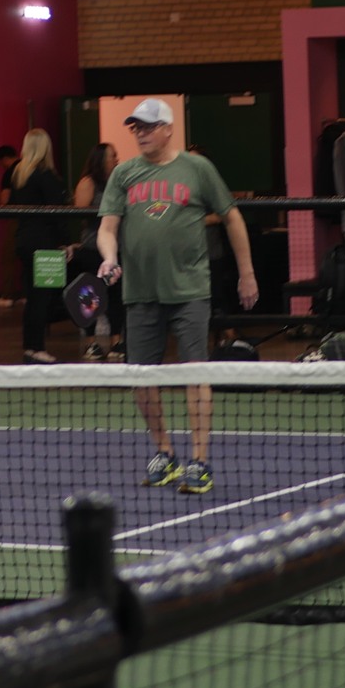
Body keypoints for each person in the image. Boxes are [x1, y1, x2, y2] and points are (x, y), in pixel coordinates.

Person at [96, 98, 258, 496]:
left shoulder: (197, 169)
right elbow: (107, 228)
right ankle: (164, 453)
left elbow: (232, 217)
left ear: (168, 129)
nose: (141, 133)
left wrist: (247, 273)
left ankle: (199, 461)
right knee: (141, 378)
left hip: (189, 292)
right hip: (140, 294)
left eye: (148, 126)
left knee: (194, 374)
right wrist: (110, 258)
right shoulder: (124, 174)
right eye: (136, 128)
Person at [9, 129, 77, 363]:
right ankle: (37, 348)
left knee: (32, 297)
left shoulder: (18, 175)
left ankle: (30, 346)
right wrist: (66, 242)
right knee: (42, 298)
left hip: (23, 241)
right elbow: (57, 213)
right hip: (45, 243)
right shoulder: (46, 175)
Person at [71, 143, 124, 360]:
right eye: (113, 156)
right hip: (92, 248)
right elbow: (80, 213)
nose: (116, 160)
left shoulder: (116, 183)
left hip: (115, 247)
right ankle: (91, 343)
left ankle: (116, 341)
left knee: (116, 295)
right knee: (91, 296)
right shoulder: (88, 182)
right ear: (101, 159)